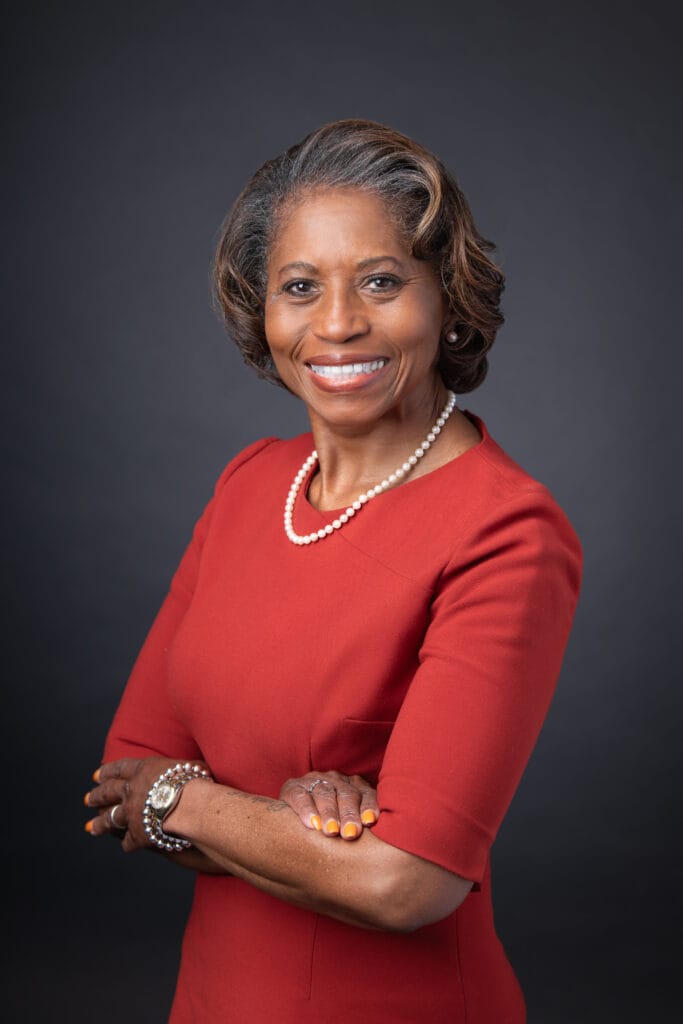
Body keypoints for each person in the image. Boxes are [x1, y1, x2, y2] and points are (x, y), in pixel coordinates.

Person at [84, 119, 582, 1022]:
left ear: (448, 298)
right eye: (300, 286)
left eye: (382, 282)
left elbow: (406, 882)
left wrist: (185, 800)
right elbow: (123, 777)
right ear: (260, 309)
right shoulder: (249, 484)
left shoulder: (506, 530)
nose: (338, 323)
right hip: (213, 998)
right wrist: (283, 819)